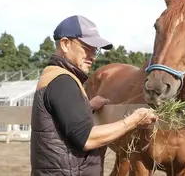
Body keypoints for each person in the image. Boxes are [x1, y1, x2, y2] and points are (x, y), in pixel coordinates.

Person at [29, 15, 158, 176]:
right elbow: (87, 138)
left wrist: (86, 107)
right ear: (65, 44)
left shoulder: (54, 76)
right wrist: (133, 121)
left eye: (95, 49)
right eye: (86, 47)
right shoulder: (63, 82)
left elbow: (63, 120)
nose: (93, 56)